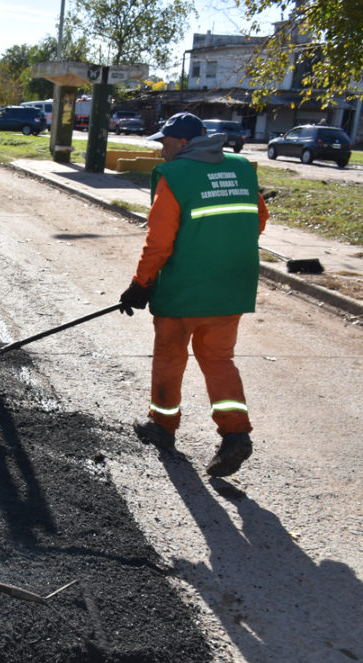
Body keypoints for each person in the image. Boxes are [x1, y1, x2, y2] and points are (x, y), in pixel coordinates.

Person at [119, 112, 268, 477]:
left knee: (170, 356)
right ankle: (235, 435)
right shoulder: (242, 169)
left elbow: (159, 243)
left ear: (183, 143)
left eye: (164, 142)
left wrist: (141, 285)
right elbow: (258, 219)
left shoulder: (176, 176)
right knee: (219, 361)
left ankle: (162, 426)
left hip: (184, 290)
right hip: (231, 286)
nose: (160, 148)